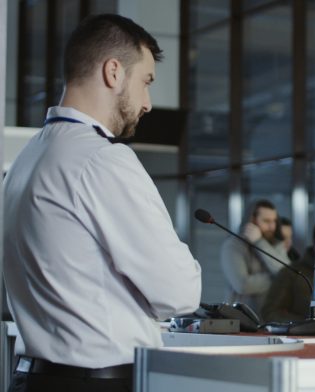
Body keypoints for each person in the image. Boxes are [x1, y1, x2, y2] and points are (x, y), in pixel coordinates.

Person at [3, 14, 202, 392]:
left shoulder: (27, 160)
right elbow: (179, 292)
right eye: (145, 82)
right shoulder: (102, 159)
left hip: (34, 378)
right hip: (96, 381)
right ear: (113, 72)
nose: (147, 103)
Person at [220, 200, 288, 314]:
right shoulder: (233, 245)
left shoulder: (275, 244)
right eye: (266, 221)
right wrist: (276, 279)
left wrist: (259, 242)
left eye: (274, 221)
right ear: (252, 221)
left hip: (272, 318)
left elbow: (287, 274)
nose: (272, 226)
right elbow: (242, 285)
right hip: (241, 319)